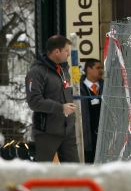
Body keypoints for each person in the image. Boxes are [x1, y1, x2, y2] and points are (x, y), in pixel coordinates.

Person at [25, 34, 78, 163]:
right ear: (56, 52)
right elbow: (34, 102)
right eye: (66, 51)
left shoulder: (63, 70)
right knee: (42, 171)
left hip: (67, 130)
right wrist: (61, 108)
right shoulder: (36, 72)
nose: (68, 55)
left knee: (74, 171)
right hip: (47, 132)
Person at [80, 58, 104, 163]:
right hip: (87, 138)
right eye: (98, 68)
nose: (101, 70)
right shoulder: (79, 88)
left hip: (104, 137)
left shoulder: (106, 86)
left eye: (102, 68)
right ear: (89, 69)